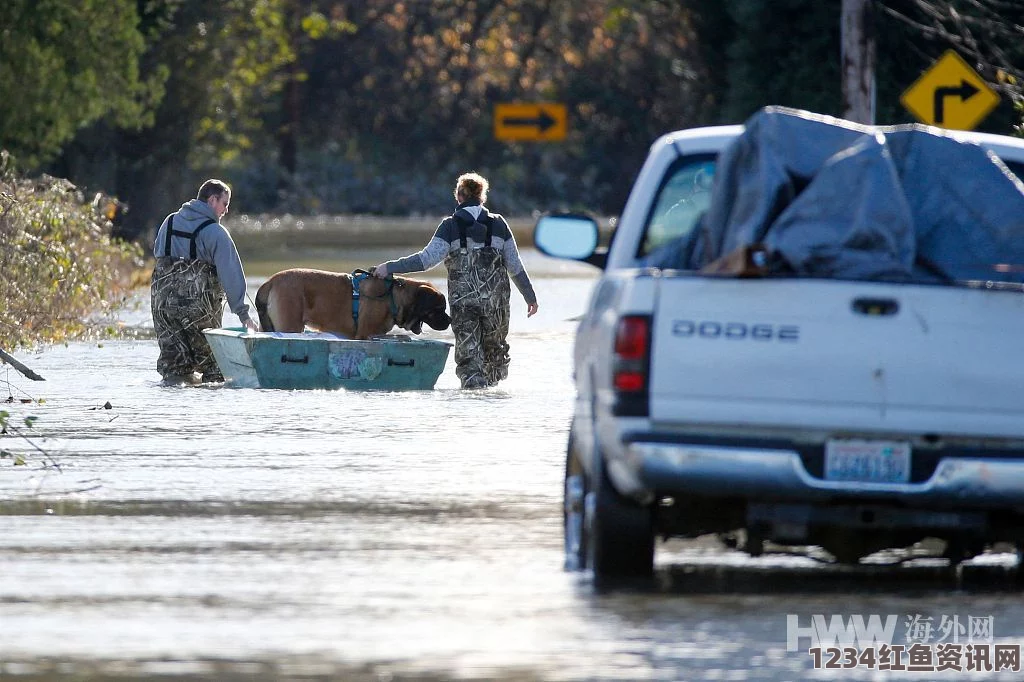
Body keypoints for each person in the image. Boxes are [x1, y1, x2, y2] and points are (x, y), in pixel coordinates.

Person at [371, 172, 538, 389]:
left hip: (464, 304)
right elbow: (515, 266)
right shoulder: (499, 225)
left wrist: (389, 267)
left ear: (459, 196)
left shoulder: (449, 226)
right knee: (495, 356)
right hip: (495, 306)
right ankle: (493, 407)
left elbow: (425, 260)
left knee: (469, 361)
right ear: (482, 196)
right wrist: (530, 297)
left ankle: (470, 405)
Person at [150, 179, 258, 383]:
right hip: (198, 311)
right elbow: (231, 274)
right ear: (212, 200)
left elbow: (158, 254)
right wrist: (244, 315)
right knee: (214, 370)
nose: (226, 210)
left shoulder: (169, 221)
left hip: (161, 306)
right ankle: (207, 412)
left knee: (174, 368)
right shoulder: (216, 233)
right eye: (225, 204)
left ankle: (169, 412)